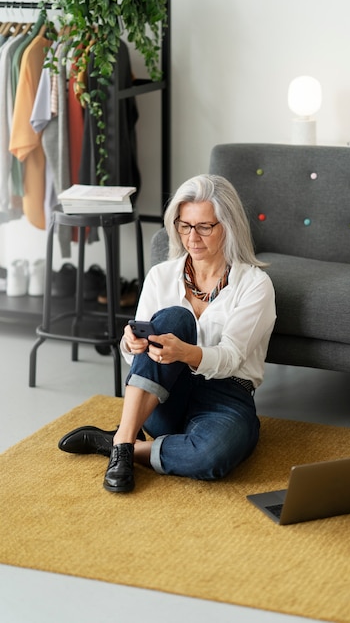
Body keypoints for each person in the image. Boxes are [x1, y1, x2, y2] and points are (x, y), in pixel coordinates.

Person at [58, 174, 276, 493]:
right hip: (163, 396)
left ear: (228, 226)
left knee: (213, 456)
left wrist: (185, 352)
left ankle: (121, 445)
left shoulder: (255, 284)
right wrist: (130, 343)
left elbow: (231, 358)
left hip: (226, 394)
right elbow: (138, 356)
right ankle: (127, 440)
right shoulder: (161, 275)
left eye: (204, 227)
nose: (192, 238)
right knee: (175, 317)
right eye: (184, 225)